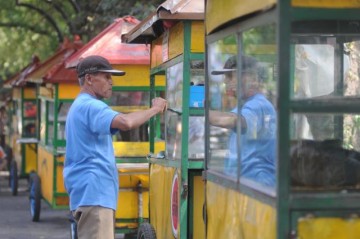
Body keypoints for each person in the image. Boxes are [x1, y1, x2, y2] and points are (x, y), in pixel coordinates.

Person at [63, 55, 167, 239]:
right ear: (88, 79)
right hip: (94, 194)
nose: (111, 82)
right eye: (106, 77)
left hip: (90, 194)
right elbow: (125, 122)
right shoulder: (91, 106)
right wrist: (155, 110)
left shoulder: (80, 106)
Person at [210, 55, 276, 187]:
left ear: (249, 78)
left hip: (256, 186)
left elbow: (233, 120)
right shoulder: (246, 105)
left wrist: (200, 113)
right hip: (244, 185)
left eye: (230, 77)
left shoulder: (258, 105)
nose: (225, 82)